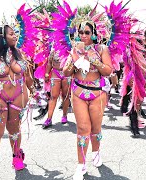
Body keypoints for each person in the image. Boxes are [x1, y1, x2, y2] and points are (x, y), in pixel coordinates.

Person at [0, 25, 35, 179]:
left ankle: (16, 156)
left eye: (15, 33)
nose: (15, 36)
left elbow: (27, 74)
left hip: (18, 96)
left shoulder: (19, 53)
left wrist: (33, 88)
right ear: (2, 37)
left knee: (14, 129)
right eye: (11, 34)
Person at [63, 21, 112, 180]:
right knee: (83, 129)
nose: (83, 36)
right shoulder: (75, 49)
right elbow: (65, 72)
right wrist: (73, 58)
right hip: (78, 93)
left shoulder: (101, 49)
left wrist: (93, 59)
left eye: (87, 32)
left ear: (93, 34)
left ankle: (96, 153)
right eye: (81, 33)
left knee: (96, 128)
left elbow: (108, 71)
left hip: (97, 93)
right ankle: (81, 164)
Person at [41, 44, 72, 128]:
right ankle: (49, 118)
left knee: (65, 96)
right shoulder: (54, 48)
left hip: (67, 74)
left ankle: (64, 115)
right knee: (53, 96)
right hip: (56, 73)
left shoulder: (70, 46)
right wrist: (47, 73)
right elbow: (49, 62)